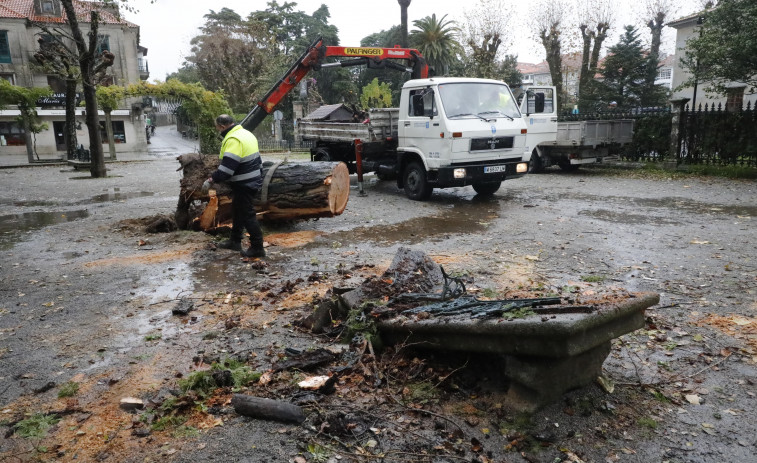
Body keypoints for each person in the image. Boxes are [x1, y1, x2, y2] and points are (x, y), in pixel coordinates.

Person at [202, 114, 265, 258]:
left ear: (222, 126)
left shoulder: (233, 140)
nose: (217, 130)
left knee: (248, 214)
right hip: (251, 179)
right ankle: (235, 241)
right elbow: (259, 160)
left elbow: (227, 170)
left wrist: (211, 180)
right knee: (238, 210)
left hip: (245, 183)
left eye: (217, 127)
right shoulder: (245, 134)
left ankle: (258, 247)